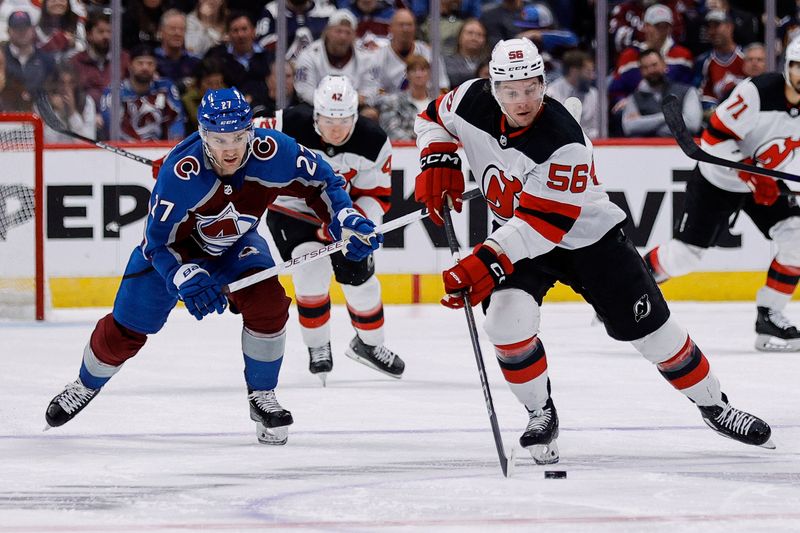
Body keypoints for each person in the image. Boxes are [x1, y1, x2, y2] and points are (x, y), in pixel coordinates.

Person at [414, 37, 774, 464]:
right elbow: (430, 118)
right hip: (519, 236)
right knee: (505, 324)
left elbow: (545, 224)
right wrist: (437, 158)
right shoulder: (469, 100)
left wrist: (486, 260)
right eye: (511, 91)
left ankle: (715, 405)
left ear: (544, 83)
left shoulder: (564, 138)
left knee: (654, 334)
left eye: (531, 88)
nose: (523, 101)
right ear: (492, 88)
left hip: (587, 238)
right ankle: (540, 413)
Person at [44, 87, 382, 445]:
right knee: (126, 328)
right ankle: (84, 384)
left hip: (236, 247)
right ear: (203, 135)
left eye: (238, 136)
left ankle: (262, 396)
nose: (231, 148)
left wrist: (344, 216)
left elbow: (324, 182)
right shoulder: (180, 173)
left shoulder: (273, 150)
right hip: (176, 255)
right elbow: (158, 242)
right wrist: (183, 274)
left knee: (269, 305)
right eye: (220, 139)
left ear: (251, 130)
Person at [644, 37, 800, 353]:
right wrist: (750, 173)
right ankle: (629, 288)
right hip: (720, 179)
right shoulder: (758, 92)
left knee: (797, 237)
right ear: (789, 68)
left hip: (764, 183)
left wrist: (763, 180)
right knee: (686, 256)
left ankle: (769, 317)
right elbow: (713, 136)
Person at [255, 75, 404, 384]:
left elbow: (375, 195)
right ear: (315, 115)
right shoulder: (288, 123)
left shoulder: (373, 141)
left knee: (361, 282)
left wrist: (362, 226)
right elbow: (237, 137)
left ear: (355, 115)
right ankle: (318, 345)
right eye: (327, 120)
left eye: (343, 120)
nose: (335, 128)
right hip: (292, 210)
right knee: (310, 270)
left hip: (345, 214)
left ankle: (370, 345)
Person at [621, 48, 702, 137]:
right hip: (646, 149)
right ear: (641, 71)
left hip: (682, 149)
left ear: (664, 65)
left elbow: (692, 125)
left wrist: (646, 126)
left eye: (654, 65)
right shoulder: (634, 98)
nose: (651, 70)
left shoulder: (688, 91)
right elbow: (629, 127)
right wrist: (669, 116)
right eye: (645, 67)